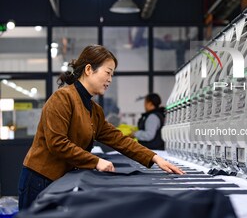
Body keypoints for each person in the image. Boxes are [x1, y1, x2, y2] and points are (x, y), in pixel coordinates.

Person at [18, 45, 184, 210]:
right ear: (89, 69)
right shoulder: (62, 98)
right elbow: (57, 143)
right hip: (40, 179)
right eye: (108, 72)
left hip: (61, 179)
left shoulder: (94, 110)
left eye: (112, 74)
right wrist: (96, 161)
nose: (110, 79)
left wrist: (155, 158)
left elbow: (118, 139)